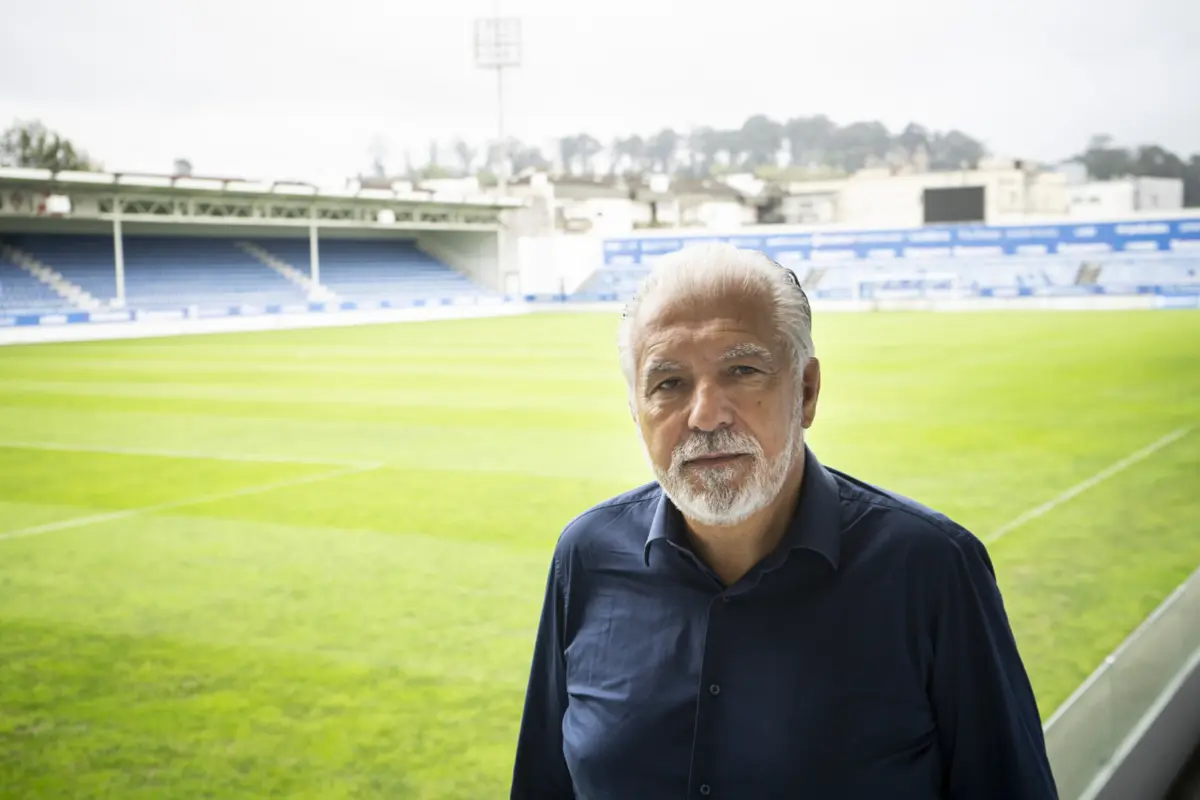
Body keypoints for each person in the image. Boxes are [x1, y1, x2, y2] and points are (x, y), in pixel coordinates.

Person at [510, 243, 1058, 800]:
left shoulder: (931, 568)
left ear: (807, 391)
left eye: (742, 370)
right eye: (668, 383)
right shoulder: (585, 556)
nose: (705, 415)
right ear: (635, 408)